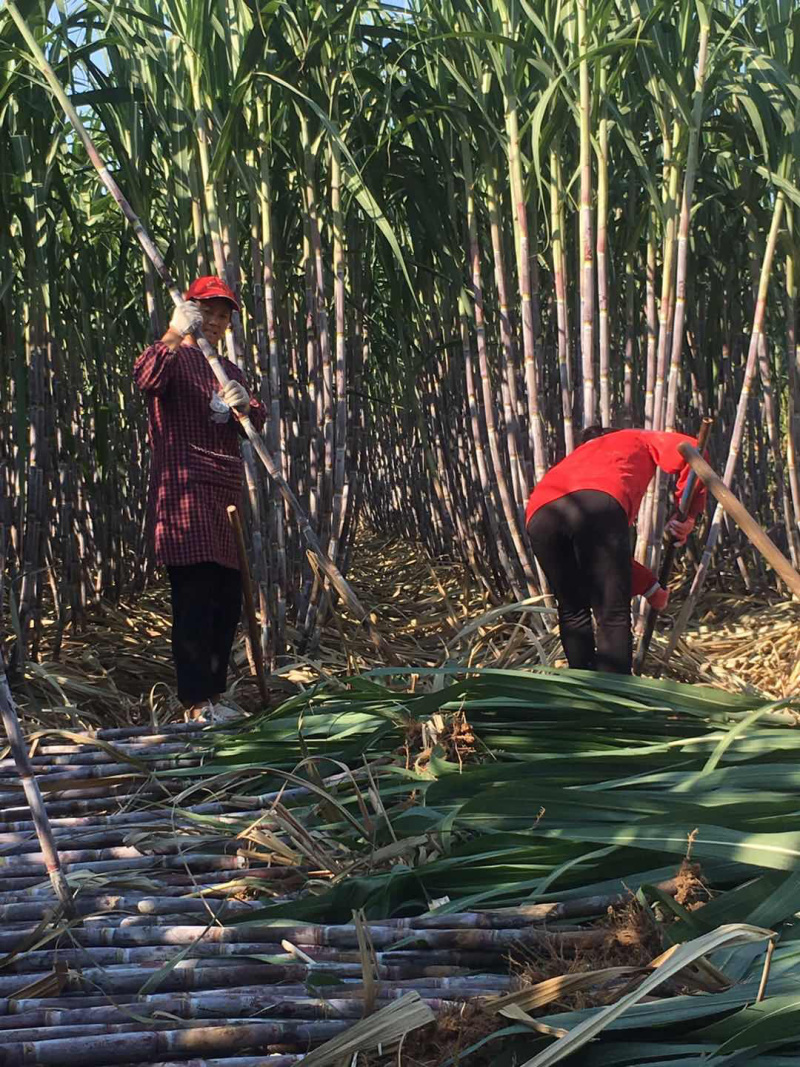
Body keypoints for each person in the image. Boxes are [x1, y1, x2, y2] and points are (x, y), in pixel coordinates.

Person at [134, 276, 266, 720]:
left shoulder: (230, 371)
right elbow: (146, 376)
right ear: (191, 312)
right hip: (184, 494)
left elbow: (254, 422)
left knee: (226, 601)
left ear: (229, 324)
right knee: (193, 599)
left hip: (224, 497)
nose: (214, 320)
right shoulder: (173, 358)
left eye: (222, 314)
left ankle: (215, 697)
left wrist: (245, 405)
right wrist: (172, 334)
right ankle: (195, 703)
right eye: (206, 311)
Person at [525, 426, 706, 675]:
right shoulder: (634, 437)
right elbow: (691, 448)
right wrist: (689, 514)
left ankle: (583, 689)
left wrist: (650, 587)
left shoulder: (575, 460)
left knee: (572, 610)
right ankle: (615, 698)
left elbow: (600, 557)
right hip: (599, 505)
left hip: (539, 515)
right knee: (612, 612)